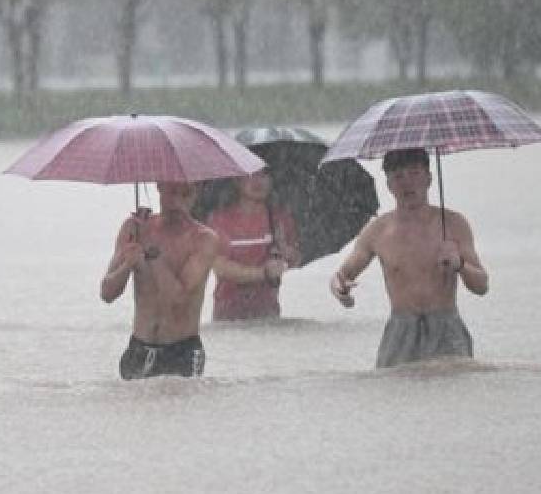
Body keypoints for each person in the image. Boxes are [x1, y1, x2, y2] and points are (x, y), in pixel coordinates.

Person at [330, 148, 489, 367]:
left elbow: (482, 286)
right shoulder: (378, 230)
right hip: (401, 330)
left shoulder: (453, 224)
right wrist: (341, 291)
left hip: (446, 326)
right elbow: (341, 276)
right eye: (398, 177)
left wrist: (459, 264)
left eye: (414, 173)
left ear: (429, 178)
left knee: (453, 392)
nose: (407, 183)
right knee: (395, 393)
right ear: (389, 185)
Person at [100, 181, 220, 380]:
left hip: (182, 352)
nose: (177, 201)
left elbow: (178, 300)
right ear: (159, 187)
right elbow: (107, 293)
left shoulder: (204, 240)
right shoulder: (134, 229)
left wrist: (152, 251)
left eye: (186, 193)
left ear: (196, 194)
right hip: (139, 347)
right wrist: (128, 264)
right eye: (172, 191)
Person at [206, 167, 301, 321]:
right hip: (227, 321)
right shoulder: (219, 219)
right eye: (251, 174)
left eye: (264, 174)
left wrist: (285, 250)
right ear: (237, 180)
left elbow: (295, 260)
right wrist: (263, 274)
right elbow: (220, 267)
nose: (258, 181)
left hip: (268, 317)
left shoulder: (280, 219)